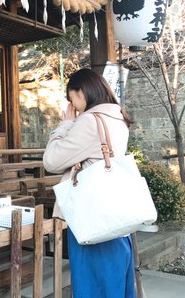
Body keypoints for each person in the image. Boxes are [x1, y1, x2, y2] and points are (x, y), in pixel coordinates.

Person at [43, 68, 135, 298]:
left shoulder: (89, 121)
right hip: (115, 215)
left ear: (81, 91)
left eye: (71, 97)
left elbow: (51, 161)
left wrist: (65, 124)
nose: (71, 104)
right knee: (113, 284)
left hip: (92, 216)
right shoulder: (118, 116)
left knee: (94, 285)